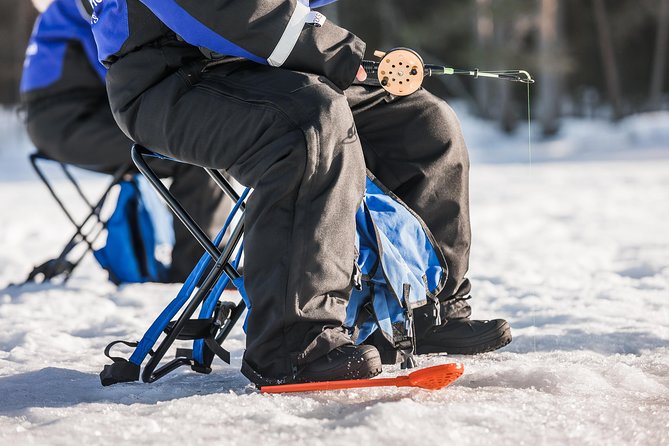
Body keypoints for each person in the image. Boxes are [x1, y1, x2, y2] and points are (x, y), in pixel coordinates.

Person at [87, 0, 512, 386]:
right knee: (307, 125)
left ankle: (422, 311)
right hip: (165, 78)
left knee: (424, 122)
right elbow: (220, 9)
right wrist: (334, 48)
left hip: (263, 67)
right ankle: (291, 343)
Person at [20, 0, 231, 282]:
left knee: (197, 143)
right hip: (66, 120)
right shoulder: (87, 4)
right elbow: (119, 66)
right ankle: (199, 268)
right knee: (195, 151)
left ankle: (204, 261)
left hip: (66, 114)